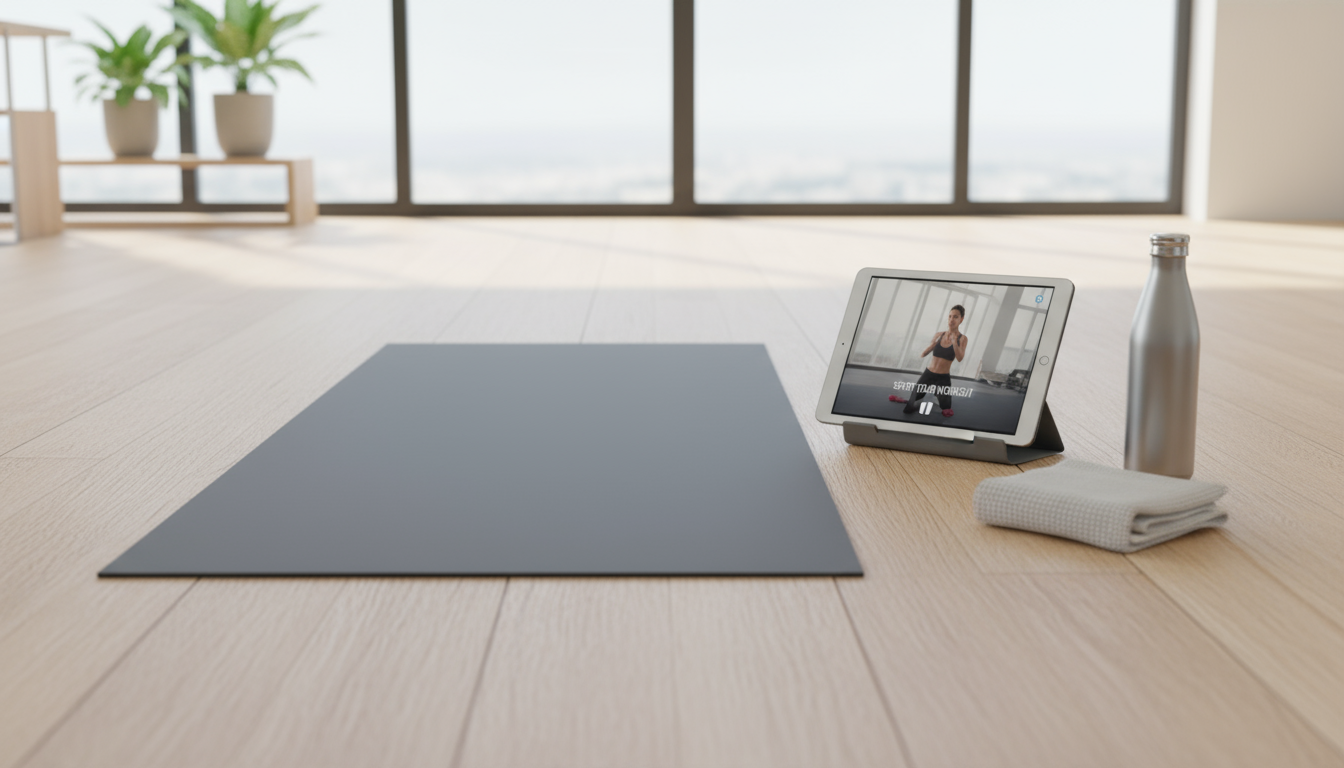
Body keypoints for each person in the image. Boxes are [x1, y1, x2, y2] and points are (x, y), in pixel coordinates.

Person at [889, 304, 968, 417]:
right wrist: (932, 344)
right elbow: (923, 354)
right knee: (908, 408)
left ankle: (937, 396)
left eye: (955, 317)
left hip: (943, 378)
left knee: (946, 410)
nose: (951, 320)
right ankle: (910, 399)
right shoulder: (939, 335)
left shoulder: (963, 339)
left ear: (962, 319)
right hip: (928, 374)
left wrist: (955, 342)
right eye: (950, 316)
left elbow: (960, 358)